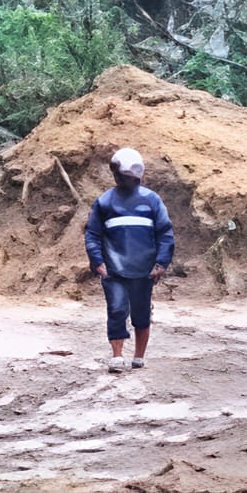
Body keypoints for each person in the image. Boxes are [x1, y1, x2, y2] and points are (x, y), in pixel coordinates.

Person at [83, 146, 174, 373]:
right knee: (116, 310)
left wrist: (161, 263)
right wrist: (97, 262)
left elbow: (165, 233)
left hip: (144, 271)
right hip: (113, 271)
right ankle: (117, 355)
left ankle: (138, 356)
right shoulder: (105, 202)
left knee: (141, 312)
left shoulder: (152, 201)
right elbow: (92, 234)